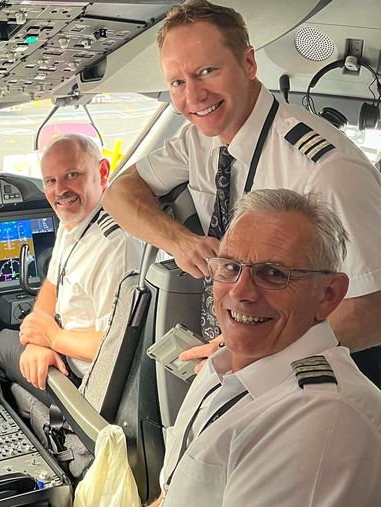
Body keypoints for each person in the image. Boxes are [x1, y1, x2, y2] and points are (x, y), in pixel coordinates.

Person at [71, 189, 381, 507]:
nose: (240, 291)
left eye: (273, 274)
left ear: (328, 296)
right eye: (231, 267)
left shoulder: (323, 424)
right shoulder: (224, 369)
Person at [103, 0, 381, 383]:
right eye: (178, 82)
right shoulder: (197, 141)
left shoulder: (324, 171)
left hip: (325, 373)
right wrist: (179, 242)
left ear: (249, 64)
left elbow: (371, 310)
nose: (193, 96)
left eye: (207, 71)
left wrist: (259, 352)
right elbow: (119, 193)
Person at [0, 134, 143, 406]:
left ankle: (62, 433)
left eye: (72, 175)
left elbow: (115, 346)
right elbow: (52, 284)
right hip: (63, 351)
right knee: (18, 346)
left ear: (102, 172)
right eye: (50, 181)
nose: (60, 190)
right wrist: (37, 341)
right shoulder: (75, 221)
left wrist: (53, 338)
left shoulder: (114, 247)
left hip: (90, 384)